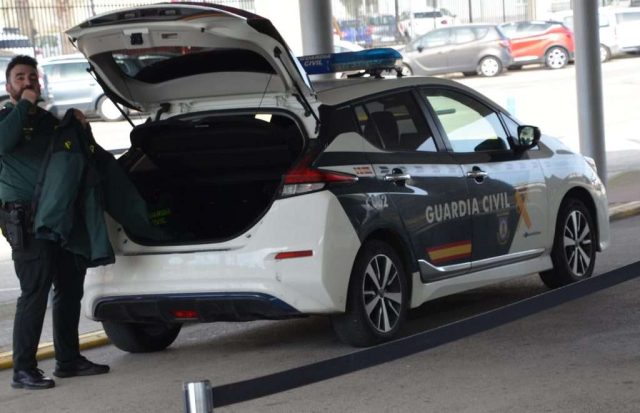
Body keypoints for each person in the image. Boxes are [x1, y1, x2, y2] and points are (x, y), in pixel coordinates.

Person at [0, 55, 109, 390]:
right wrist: (23, 106)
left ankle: (68, 360)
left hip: (60, 218)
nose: (28, 82)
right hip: (26, 221)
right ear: (8, 86)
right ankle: (23, 369)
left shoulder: (49, 122)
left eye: (32, 76)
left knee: (69, 288)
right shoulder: (5, 117)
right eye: (20, 78)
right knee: (35, 291)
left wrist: (76, 124)